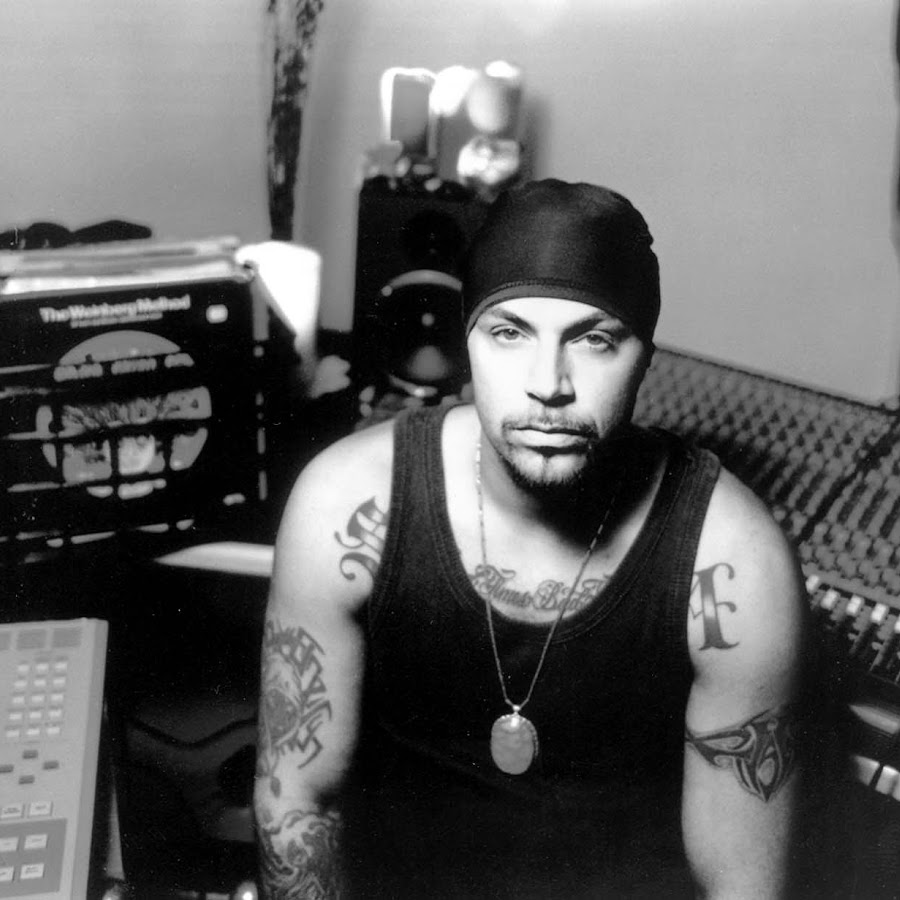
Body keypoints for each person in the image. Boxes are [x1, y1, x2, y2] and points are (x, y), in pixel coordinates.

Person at [254, 179, 814, 899]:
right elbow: (298, 806)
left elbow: (742, 886)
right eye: (509, 333)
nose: (548, 384)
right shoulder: (344, 503)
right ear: (466, 343)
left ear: (645, 356)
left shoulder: (736, 567)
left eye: (595, 340)